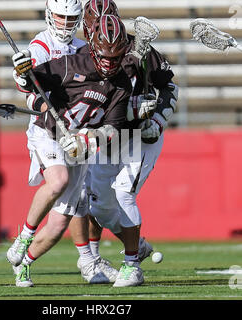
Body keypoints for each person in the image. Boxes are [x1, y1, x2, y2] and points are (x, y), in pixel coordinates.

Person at [8, 14, 132, 287]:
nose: (110, 64)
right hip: (48, 133)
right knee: (59, 180)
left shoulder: (122, 83)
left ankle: (24, 264)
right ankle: (24, 237)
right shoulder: (71, 64)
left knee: (60, 223)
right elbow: (31, 84)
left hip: (81, 144)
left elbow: (112, 127)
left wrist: (88, 140)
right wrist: (21, 71)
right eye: (105, 57)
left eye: (116, 57)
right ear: (93, 48)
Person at [76, 0, 178, 287]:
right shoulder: (82, 56)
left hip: (140, 135)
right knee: (97, 202)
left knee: (123, 194)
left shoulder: (141, 51)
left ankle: (132, 265)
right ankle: (96, 259)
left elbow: (169, 87)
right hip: (111, 136)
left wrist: (157, 119)